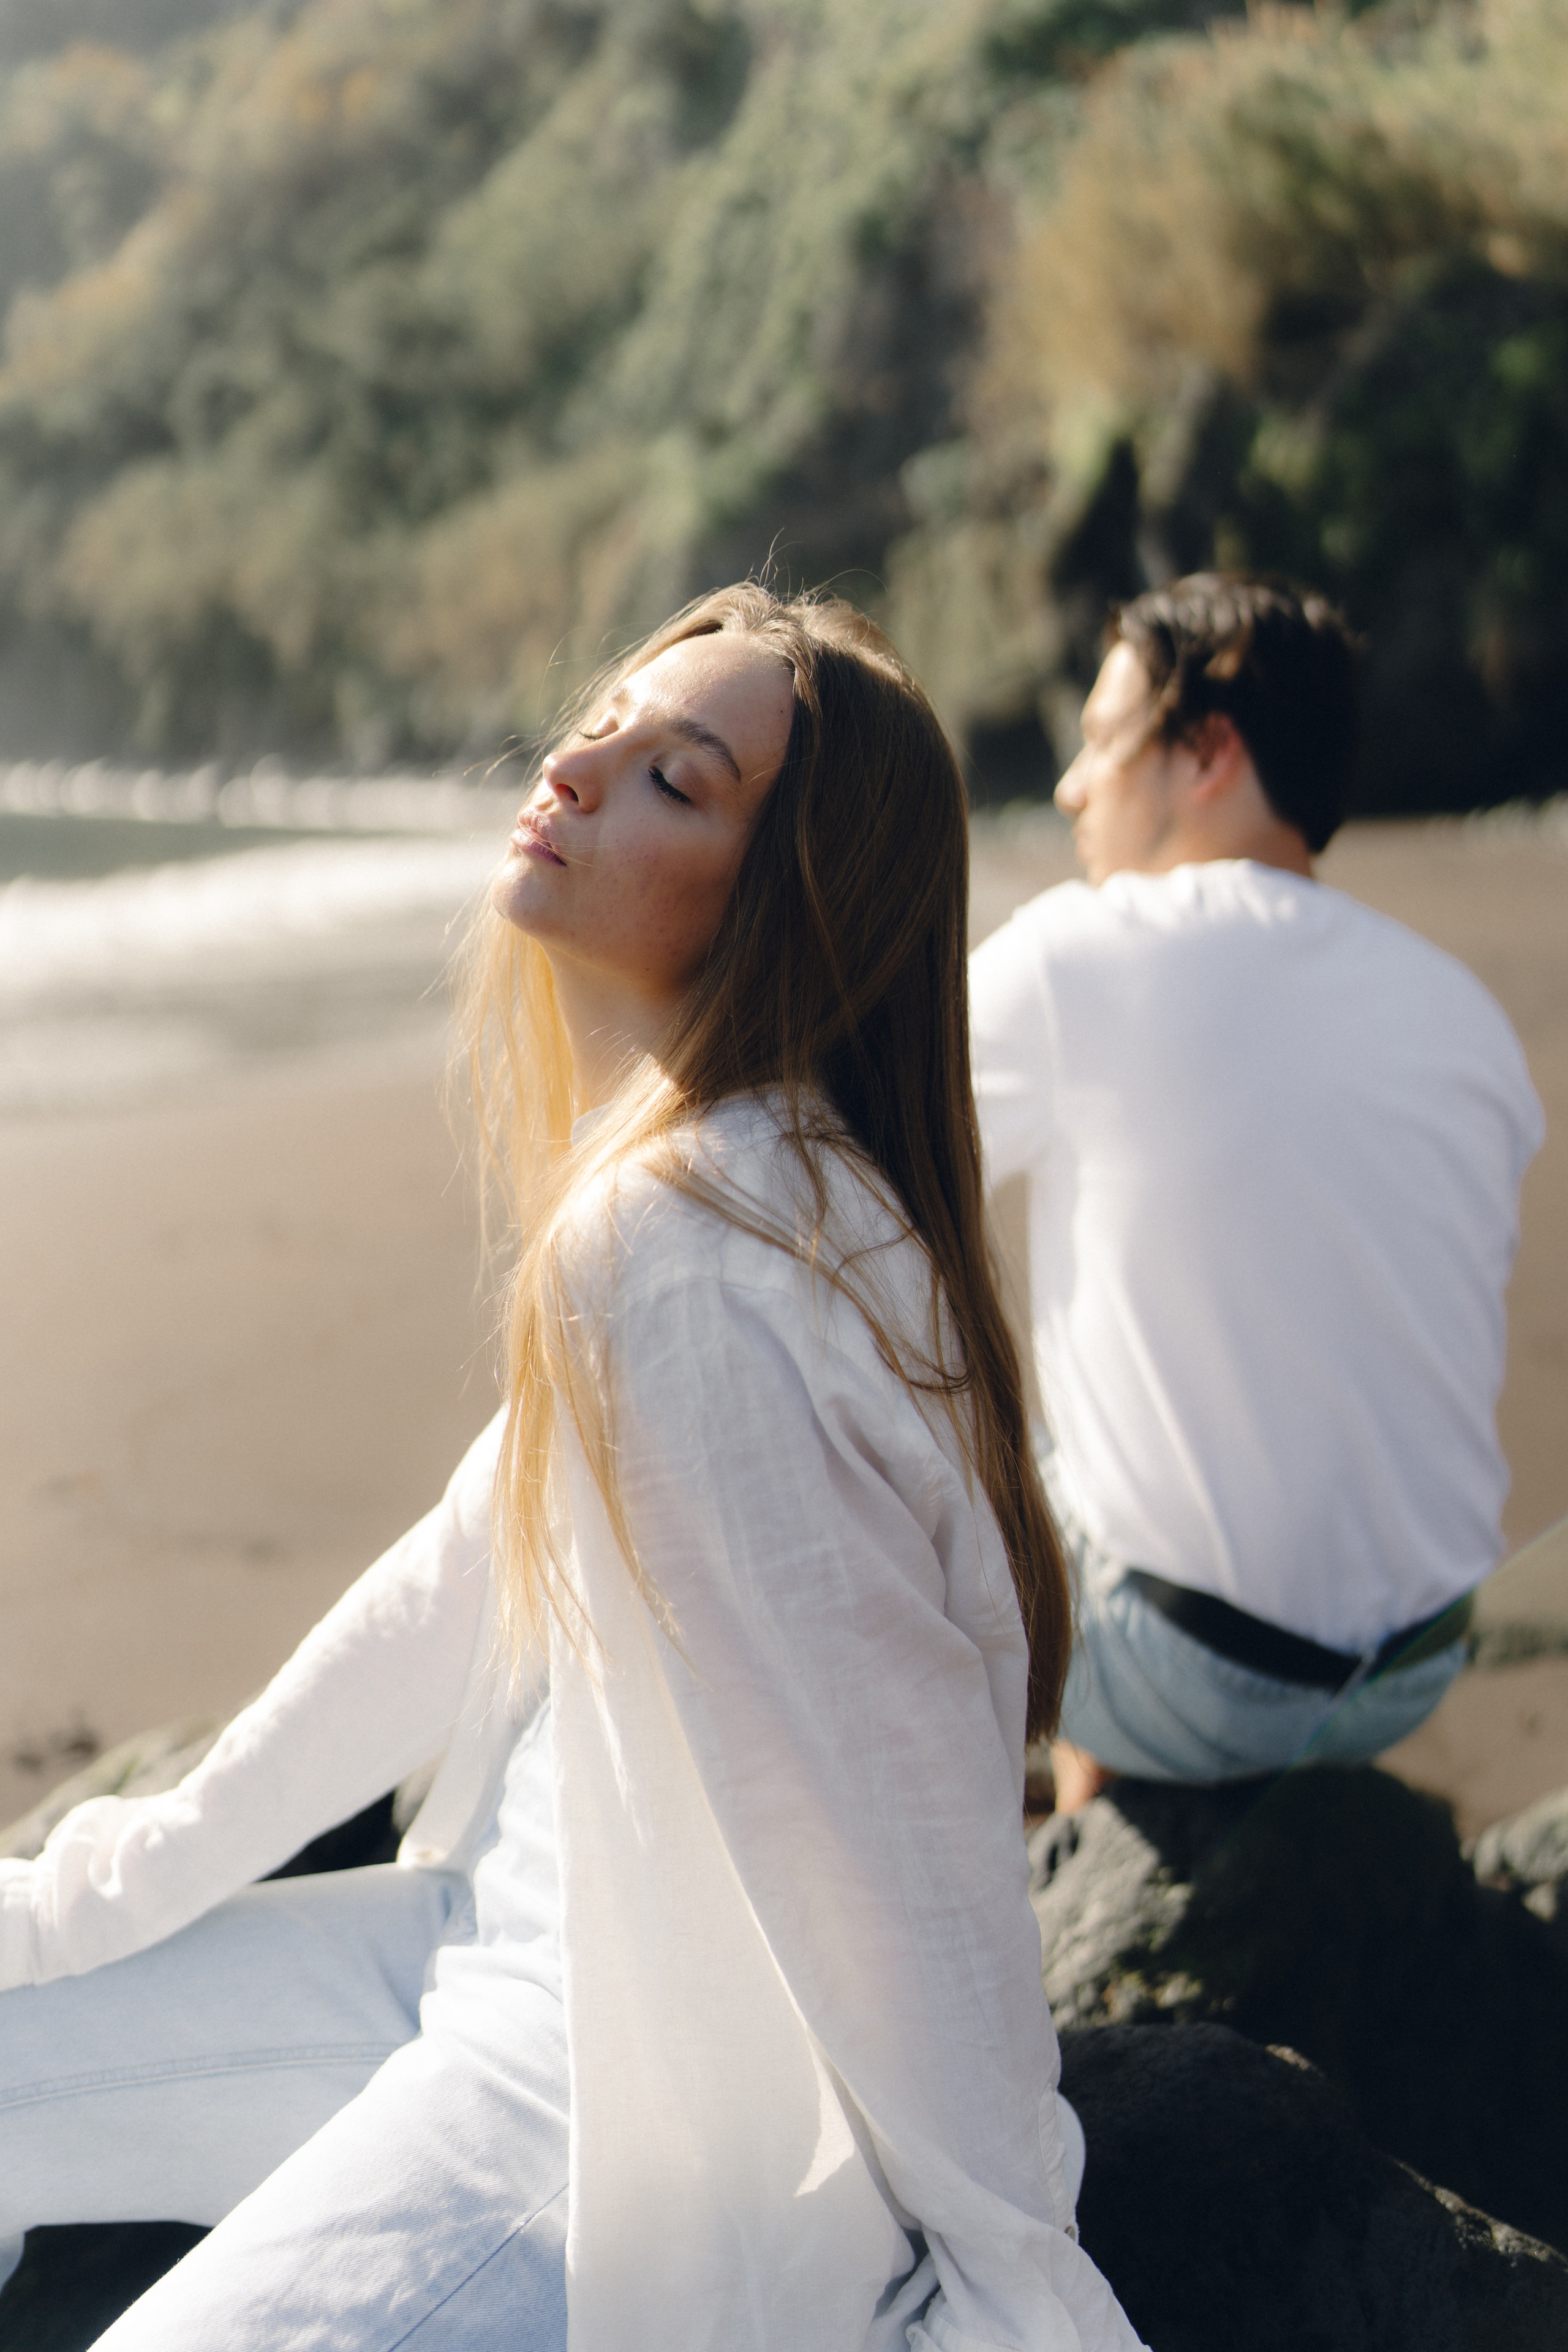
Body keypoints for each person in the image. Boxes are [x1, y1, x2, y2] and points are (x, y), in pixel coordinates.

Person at [0, 586, 1145, 2351]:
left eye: (677, 780)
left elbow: (893, 1827)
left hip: (618, 2103)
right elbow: (437, 1609)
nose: (582, 762)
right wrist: (78, 1902)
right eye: (607, 718)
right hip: (481, 1945)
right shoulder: (695, 1192)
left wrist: (1014, 2269)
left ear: (792, 911)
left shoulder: (699, 1257)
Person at [969, 573, 1544, 1814]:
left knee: (913, 1453)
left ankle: (1072, 1865)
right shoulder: (1457, 1014)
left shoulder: (1085, 954)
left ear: (1206, 751)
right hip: (1412, 1663)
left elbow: (842, 1163)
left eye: (1097, 742)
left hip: (1190, 1674)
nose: (1070, 786)